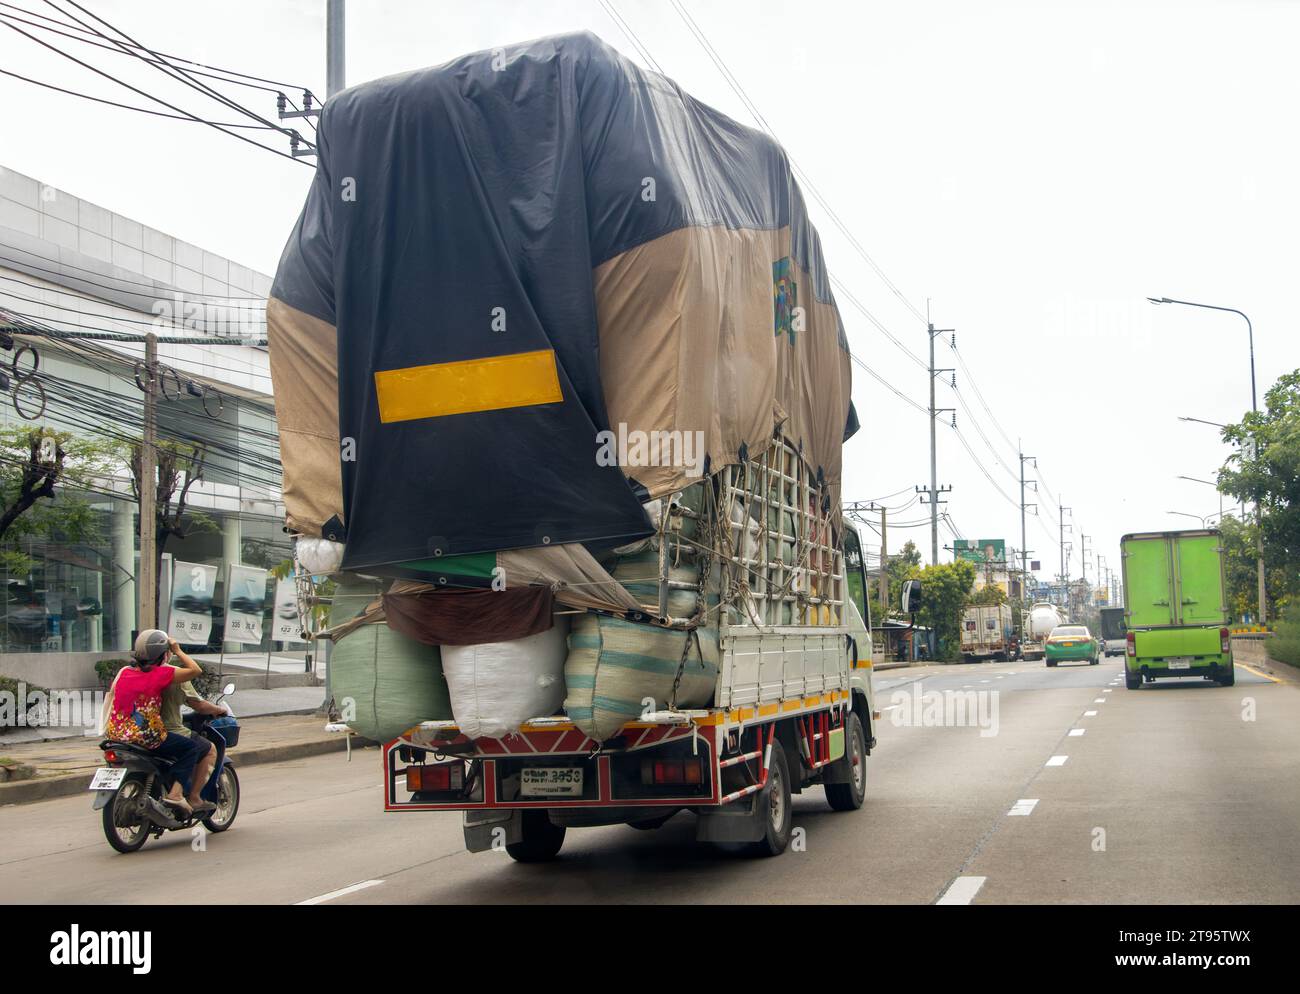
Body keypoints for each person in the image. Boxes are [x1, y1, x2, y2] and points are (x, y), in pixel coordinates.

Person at [105, 629, 215, 817]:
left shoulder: (124, 673)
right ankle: (176, 794)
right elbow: (195, 670)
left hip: (117, 733)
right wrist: (178, 650)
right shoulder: (161, 673)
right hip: (146, 735)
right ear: (164, 654)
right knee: (191, 748)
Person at [160, 666, 228, 801]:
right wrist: (218, 709)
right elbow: (200, 705)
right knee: (205, 749)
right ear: (166, 654)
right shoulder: (175, 675)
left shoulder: (128, 672)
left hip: (127, 732)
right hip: (163, 731)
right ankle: (193, 797)